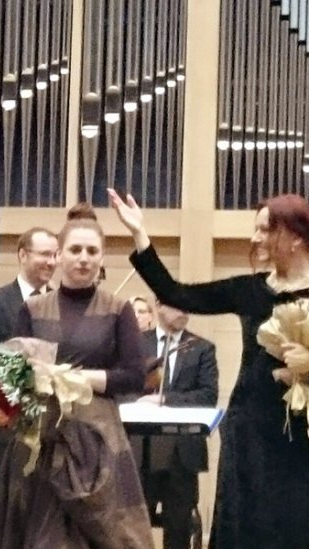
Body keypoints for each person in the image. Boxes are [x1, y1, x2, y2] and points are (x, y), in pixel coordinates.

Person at [109, 188, 309, 548]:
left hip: (303, 430)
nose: (255, 238)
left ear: (295, 237)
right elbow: (176, 293)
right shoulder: (250, 290)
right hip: (250, 428)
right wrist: (140, 234)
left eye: (265, 229)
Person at [0, 203, 154, 549]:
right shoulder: (32, 309)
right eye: (75, 250)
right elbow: (15, 372)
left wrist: (77, 378)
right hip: (41, 437)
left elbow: (134, 377)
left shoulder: (118, 309)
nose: (84, 258)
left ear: (102, 257)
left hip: (97, 440)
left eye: (92, 251)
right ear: (59, 256)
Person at [134, 301, 218, 549]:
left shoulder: (201, 347)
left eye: (186, 306)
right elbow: (122, 387)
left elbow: (208, 396)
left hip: (182, 454)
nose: (184, 311)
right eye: (177, 305)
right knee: (133, 528)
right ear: (158, 305)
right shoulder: (136, 343)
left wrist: (165, 399)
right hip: (141, 449)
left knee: (179, 530)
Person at [0, 227, 58, 349]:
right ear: (23, 255)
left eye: (55, 255)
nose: (52, 262)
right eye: (45, 254)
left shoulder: (60, 302)